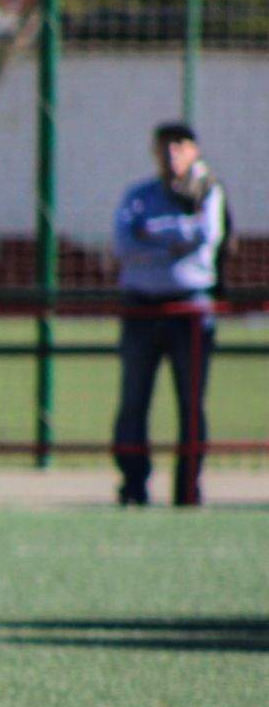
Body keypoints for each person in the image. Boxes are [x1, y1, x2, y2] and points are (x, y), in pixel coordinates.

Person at [111, 121, 225, 508]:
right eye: (164, 146)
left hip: (190, 310)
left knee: (192, 401)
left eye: (179, 146)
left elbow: (204, 239)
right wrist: (174, 241)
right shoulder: (138, 196)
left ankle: (188, 489)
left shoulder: (207, 194)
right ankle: (133, 486)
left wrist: (154, 239)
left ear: (194, 151)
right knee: (133, 399)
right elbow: (125, 245)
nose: (171, 154)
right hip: (141, 307)